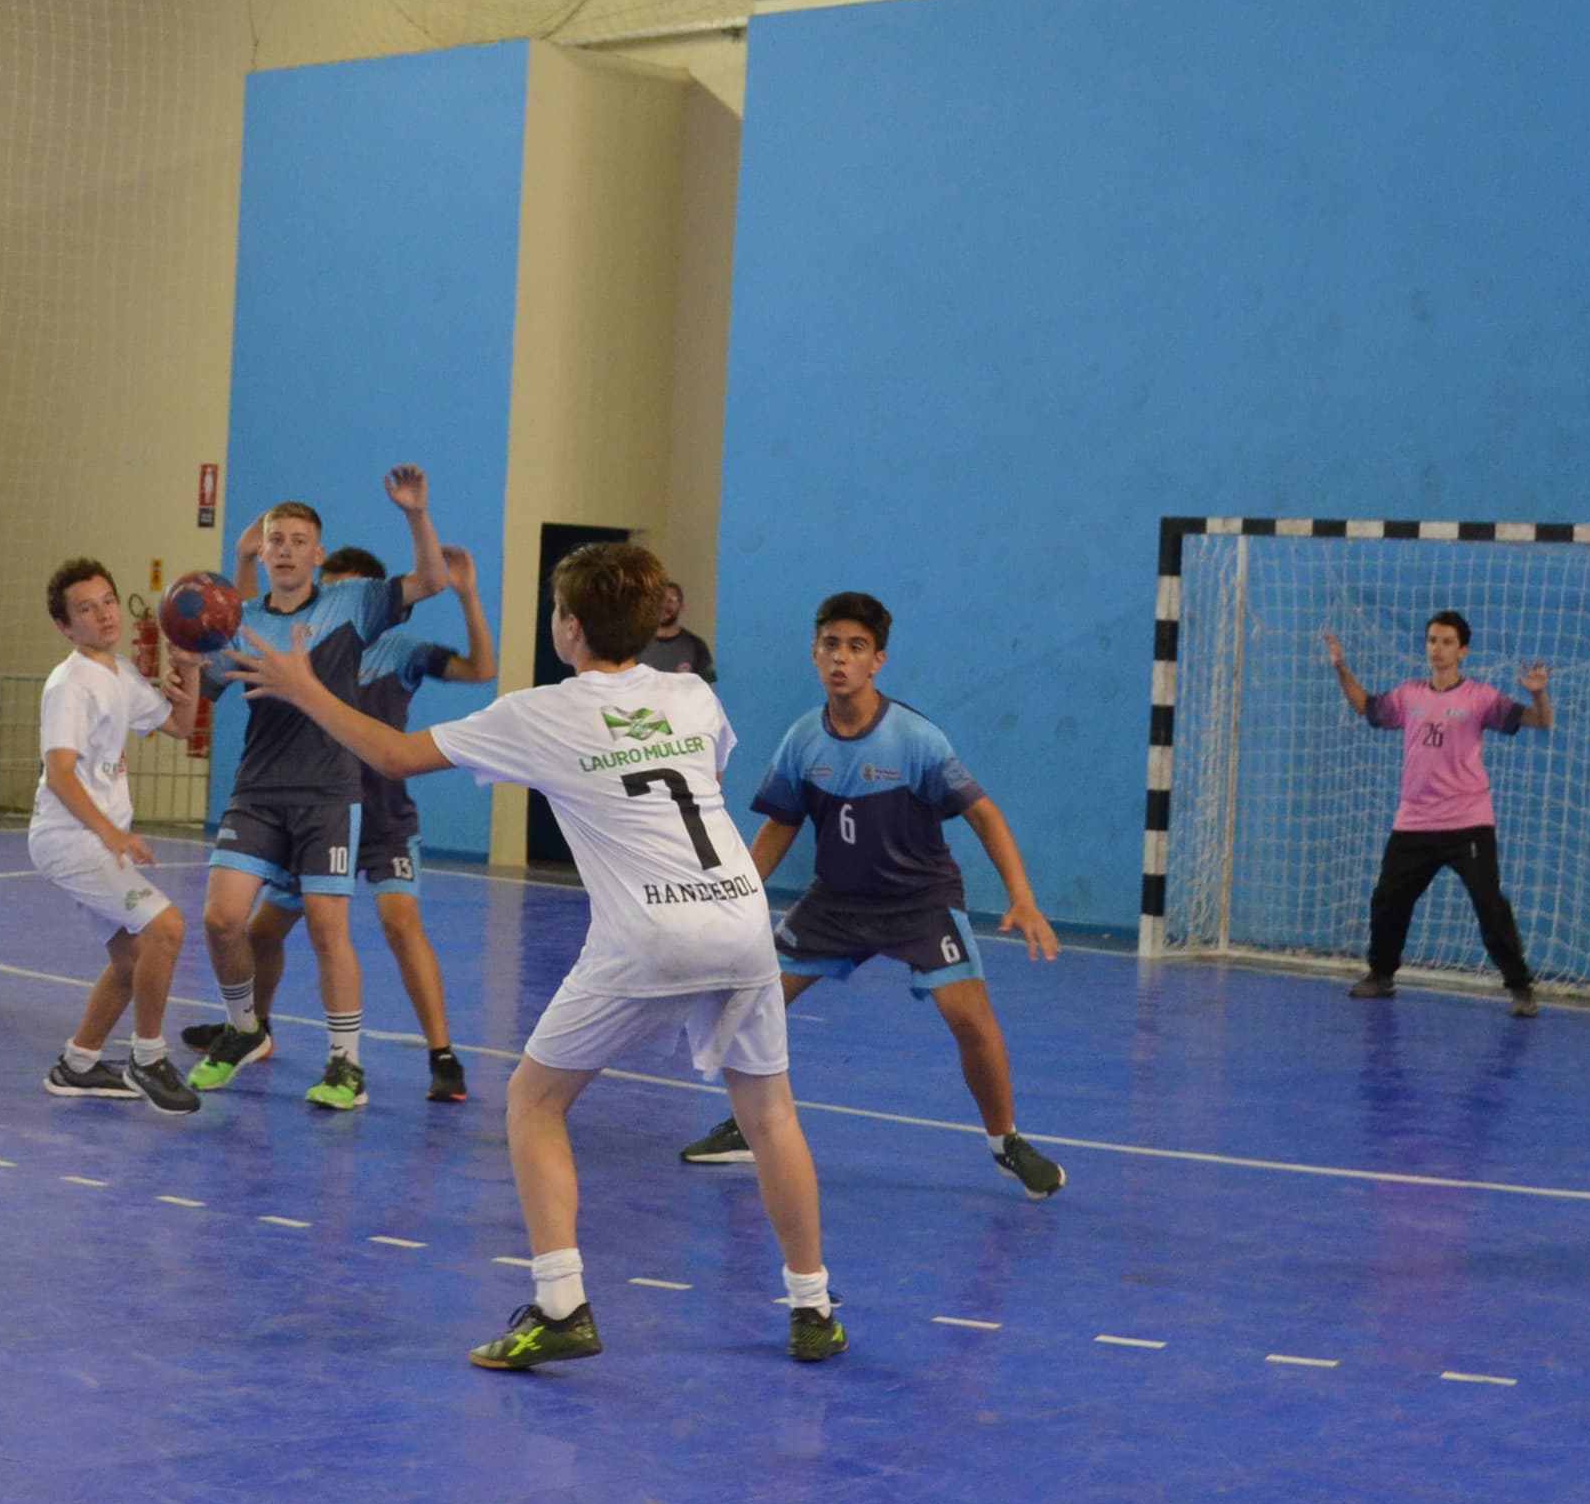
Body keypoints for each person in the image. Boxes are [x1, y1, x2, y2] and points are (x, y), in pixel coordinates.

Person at [235, 539, 842, 1370]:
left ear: (567, 628)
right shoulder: (693, 693)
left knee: (533, 1102)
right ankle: (812, 1306)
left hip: (648, 932)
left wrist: (305, 688)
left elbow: (396, 755)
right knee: (771, 1115)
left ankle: (561, 1306)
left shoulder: (541, 711)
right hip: (742, 919)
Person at [679, 591, 1068, 1195]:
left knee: (967, 1015)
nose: (841, 658)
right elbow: (781, 825)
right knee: (751, 1001)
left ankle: (1006, 1142)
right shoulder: (803, 740)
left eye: (856, 647)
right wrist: (738, 895)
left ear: (877, 660)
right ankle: (748, 1127)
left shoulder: (916, 740)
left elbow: (984, 814)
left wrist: (1022, 896)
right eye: (831, 645)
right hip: (836, 902)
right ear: (815, 654)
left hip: (920, 902)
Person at [188, 540, 496, 1104]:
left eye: (347, 590)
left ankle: (441, 1054)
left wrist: (469, 595)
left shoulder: (399, 649)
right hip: (312, 808)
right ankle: (252, 1028)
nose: (334, 598)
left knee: (398, 924)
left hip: (378, 814)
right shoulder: (300, 641)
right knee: (255, 930)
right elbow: (248, 625)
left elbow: (481, 670)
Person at [31, 558, 207, 1114]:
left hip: (93, 837)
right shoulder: (69, 684)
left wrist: (190, 667)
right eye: (86, 608)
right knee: (167, 928)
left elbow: (180, 726)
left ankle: (77, 1063)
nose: (104, 613)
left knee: (135, 963)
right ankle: (148, 1056)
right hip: (71, 837)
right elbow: (60, 772)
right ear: (65, 627)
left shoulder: (122, 673)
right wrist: (112, 833)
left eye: (107, 600)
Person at [1327, 613, 1552, 1016]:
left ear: (1463, 651)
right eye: (1432, 640)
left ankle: (1521, 988)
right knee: (1388, 900)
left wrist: (1538, 694)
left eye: (1447, 642)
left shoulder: (1480, 698)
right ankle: (1381, 975)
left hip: (1468, 822)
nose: (1438, 648)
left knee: (1489, 904)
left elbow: (1540, 720)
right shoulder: (1409, 695)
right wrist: (1342, 668)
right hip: (1414, 822)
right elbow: (1366, 707)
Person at [638, 581, 715, 681]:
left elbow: (706, 690)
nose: (665, 605)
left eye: (672, 600)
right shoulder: (635, 644)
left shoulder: (696, 646)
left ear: (682, 607)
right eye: (660, 599)